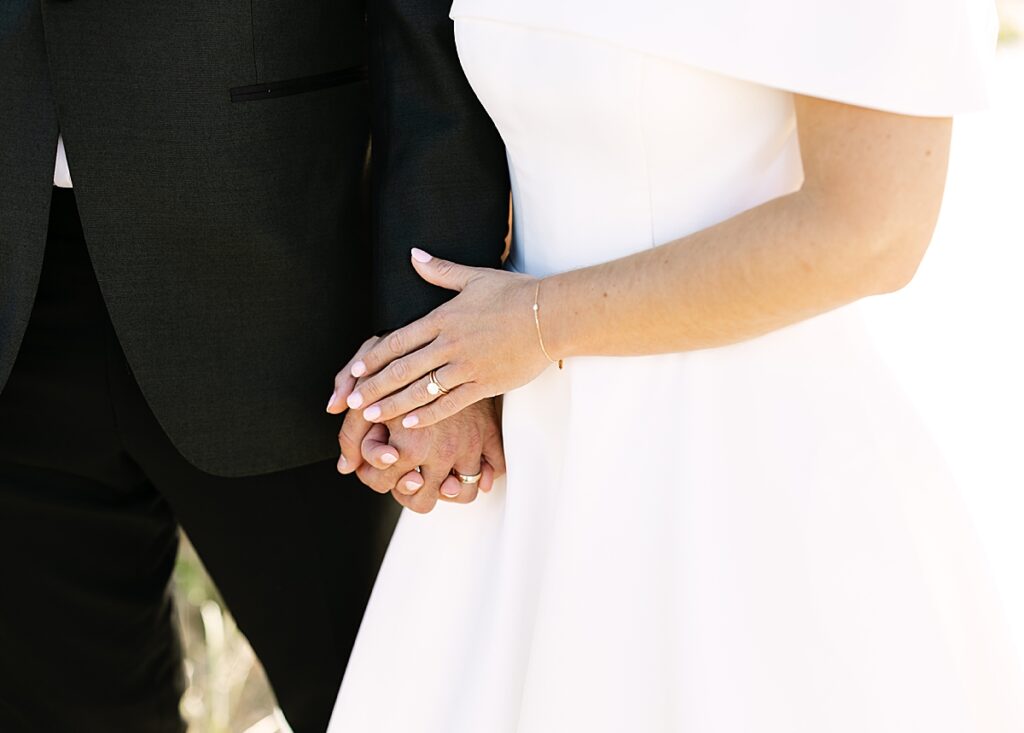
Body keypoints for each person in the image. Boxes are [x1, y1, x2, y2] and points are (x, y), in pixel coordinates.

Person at [328, 0, 1024, 730]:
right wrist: (429, 382)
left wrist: (530, 325)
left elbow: (872, 231)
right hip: (528, 462)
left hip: (747, 472)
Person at [0, 1, 508, 730]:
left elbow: (421, 31)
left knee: (393, 701)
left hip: (294, 293)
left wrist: (431, 353)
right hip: (19, 300)